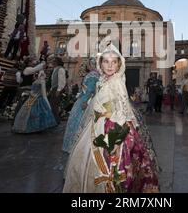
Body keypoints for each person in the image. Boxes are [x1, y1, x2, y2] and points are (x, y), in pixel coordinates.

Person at [63, 43, 159, 193]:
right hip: (97, 123)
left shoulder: (117, 81)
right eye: (106, 61)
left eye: (114, 62)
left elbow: (122, 107)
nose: (110, 65)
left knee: (112, 163)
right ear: (100, 63)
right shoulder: (102, 80)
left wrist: (117, 136)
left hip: (113, 125)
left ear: (119, 64)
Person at [62, 58, 99, 154]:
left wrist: (85, 100)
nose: (86, 65)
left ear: (91, 65)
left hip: (84, 101)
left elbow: (90, 89)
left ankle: (75, 146)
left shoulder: (92, 75)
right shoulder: (96, 75)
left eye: (87, 64)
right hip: (86, 99)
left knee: (79, 121)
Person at [12, 69, 57, 134]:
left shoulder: (36, 81)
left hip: (31, 99)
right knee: (37, 114)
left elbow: (34, 92)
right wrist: (48, 105)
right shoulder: (42, 82)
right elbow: (44, 94)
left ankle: (28, 127)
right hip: (37, 99)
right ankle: (36, 128)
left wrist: (27, 93)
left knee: (28, 113)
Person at [47, 57, 67, 123]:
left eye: (53, 61)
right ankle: (52, 119)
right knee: (52, 105)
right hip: (54, 89)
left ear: (57, 62)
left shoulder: (60, 69)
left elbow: (62, 81)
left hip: (57, 89)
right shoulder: (55, 69)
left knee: (54, 105)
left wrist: (58, 90)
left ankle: (55, 120)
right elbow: (53, 81)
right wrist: (51, 89)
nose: (52, 62)